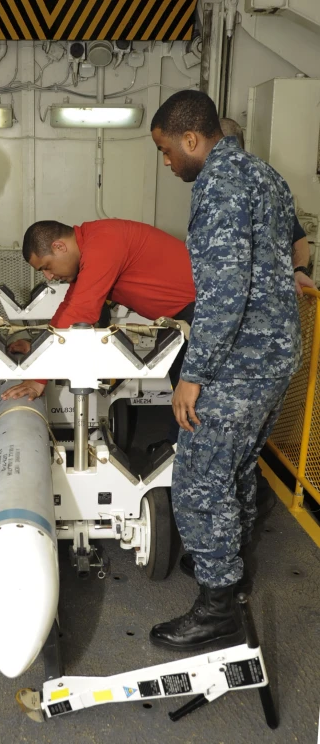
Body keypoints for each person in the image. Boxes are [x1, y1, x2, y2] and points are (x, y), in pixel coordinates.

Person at [148, 90, 301, 650]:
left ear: (193, 139)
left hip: (240, 359)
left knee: (196, 479)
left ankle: (218, 610)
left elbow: (224, 291)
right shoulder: (263, 174)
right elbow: (292, 248)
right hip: (279, 350)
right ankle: (229, 575)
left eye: (167, 152)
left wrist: (195, 372)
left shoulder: (218, 184)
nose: (168, 164)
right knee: (236, 466)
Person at [1, 219, 196, 403]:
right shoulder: (91, 245)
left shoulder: (103, 242)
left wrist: (38, 379)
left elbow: (81, 313)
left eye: (47, 267)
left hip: (202, 313)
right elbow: (68, 308)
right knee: (182, 392)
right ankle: (176, 439)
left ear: (59, 247)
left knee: (198, 398)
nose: (49, 276)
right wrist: (37, 346)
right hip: (180, 319)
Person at [219, 117, 315, 297]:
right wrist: (300, 269)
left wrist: (299, 270)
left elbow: (298, 238)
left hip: (248, 308)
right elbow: (299, 238)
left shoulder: (228, 186)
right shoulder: (274, 181)